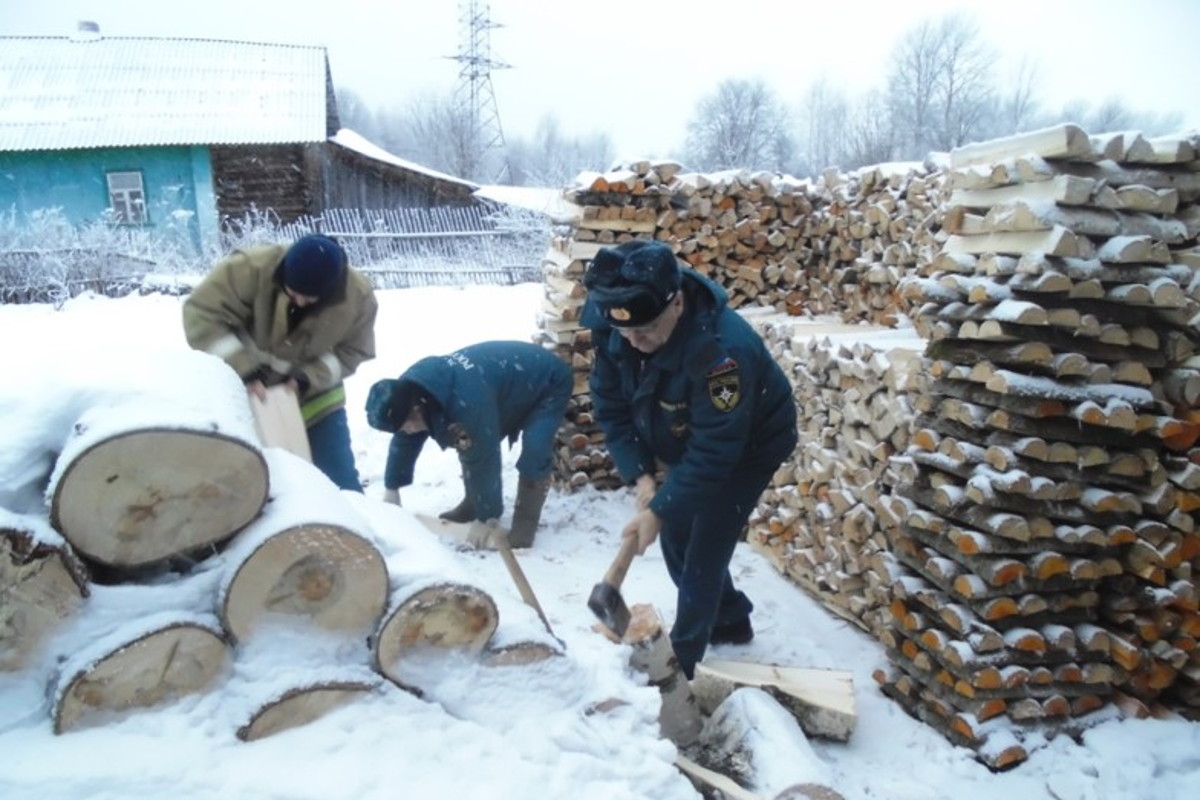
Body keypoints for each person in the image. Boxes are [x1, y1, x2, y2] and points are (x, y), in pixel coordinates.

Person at [581, 239, 798, 680]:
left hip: (749, 444)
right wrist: (640, 477)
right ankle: (731, 619)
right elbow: (610, 405)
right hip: (688, 434)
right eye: (626, 332)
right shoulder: (616, 323)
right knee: (676, 534)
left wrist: (659, 509)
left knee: (705, 547)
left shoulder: (721, 355)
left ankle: (681, 665)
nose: (635, 342)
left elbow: (717, 450)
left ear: (677, 302)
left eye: (646, 330)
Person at [182, 233, 377, 492]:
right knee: (252, 488)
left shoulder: (359, 298)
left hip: (317, 400)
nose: (298, 302)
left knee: (341, 484)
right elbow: (202, 315)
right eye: (293, 293)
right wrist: (245, 370)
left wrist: (307, 378)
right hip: (244, 397)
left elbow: (354, 351)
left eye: (309, 299)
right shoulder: (249, 269)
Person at [365, 340, 572, 548]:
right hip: (505, 381)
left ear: (417, 411)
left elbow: (483, 459)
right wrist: (392, 487)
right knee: (466, 440)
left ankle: (525, 523)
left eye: (405, 427)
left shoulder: (466, 404)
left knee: (534, 449)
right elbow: (404, 440)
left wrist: (488, 519)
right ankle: (473, 503)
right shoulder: (409, 393)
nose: (406, 432)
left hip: (547, 381)